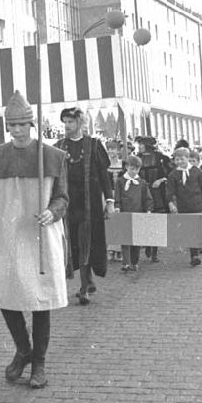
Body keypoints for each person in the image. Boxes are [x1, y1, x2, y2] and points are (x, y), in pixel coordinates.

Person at [0, 91, 68, 389]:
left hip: (39, 235)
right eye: (12, 125)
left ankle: (38, 362)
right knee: (7, 294)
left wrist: (52, 212)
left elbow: (63, 198)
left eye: (22, 124)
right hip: (5, 235)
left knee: (40, 299)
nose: (17, 130)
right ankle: (23, 349)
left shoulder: (53, 157)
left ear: (31, 124)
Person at [56, 107, 114, 305]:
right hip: (67, 203)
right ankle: (87, 280)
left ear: (80, 123)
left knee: (86, 240)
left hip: (90, 204)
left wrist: (110, 201)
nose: (66, 126)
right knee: (74, 242)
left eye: (70, 122)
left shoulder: (94, 145)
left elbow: (104, 175)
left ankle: (83, 288)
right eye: (64, 122)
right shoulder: (59, 146)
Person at [166, 146, 202, 266]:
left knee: (195, 229)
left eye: (182, 159)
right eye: (176, 159)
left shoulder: (197, 172)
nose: (179, 162)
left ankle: (195, 254)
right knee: (188, 230)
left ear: (188, 158)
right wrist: (171, 203)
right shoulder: (173, 174)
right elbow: (170, 190)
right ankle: (193, 253)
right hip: (183, 206)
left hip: (196, 205)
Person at [135, 135, 172, 261]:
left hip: (157, 193)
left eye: (141, 144)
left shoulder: (160, 158)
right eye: (138, 144)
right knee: (144, 220)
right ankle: (147, 244)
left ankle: (155, 251)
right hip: (142, 192)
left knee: (157, 221)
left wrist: (161, 180)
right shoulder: (137, 158)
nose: (139, 146)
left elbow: (170, 173)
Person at [114, 154, 153, 272]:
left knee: (136, 240)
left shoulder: (142, 182)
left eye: (137, 169)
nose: (134, 171)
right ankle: (126, 263)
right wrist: (117, 206)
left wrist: (148, 209)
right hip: (125, 213)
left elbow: (147, 198)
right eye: (132, 168)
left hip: (138, 213)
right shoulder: (120, 181)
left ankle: (134, 262)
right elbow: (117, 196)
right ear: (126, 167)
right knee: (125, 239)